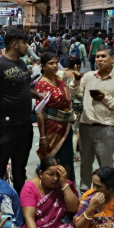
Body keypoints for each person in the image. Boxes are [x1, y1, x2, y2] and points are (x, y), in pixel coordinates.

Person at [0, 28, 40, 193]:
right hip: (6, 126)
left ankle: (20, 204)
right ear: (15, 44)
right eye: (24, 43)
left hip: (25, 124)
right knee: (0, 167)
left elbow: (24, 88)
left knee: (20, 167)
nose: (26, 47)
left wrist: (39, 94)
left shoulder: (22, 64)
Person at [71, 45, 114, 191]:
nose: (99, 59)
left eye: (103, 56)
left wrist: (105, 98)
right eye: (97, 56)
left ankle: (107, 193)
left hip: (105, 128)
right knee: (85, 163)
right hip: (86, 126)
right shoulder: (89, 76)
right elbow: (75, 91)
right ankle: (84, 192)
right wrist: (77, 81)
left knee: (105, 166)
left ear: (113, 59)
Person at [36, 52, 76, 181]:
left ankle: (67, 187)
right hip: (52, 128)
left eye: (55, 62)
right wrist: (42, 136)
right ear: (43, 66)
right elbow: (40, 112)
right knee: (53, 160)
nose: (54, 66)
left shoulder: (58, 79)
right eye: (50, 63)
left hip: (66, 126)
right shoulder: (41, 84)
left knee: (66, 158)